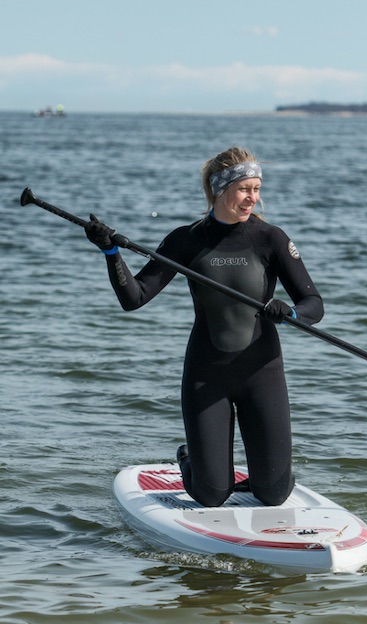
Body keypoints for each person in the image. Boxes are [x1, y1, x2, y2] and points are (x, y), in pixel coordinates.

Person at [85, 146, 324, 507]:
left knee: (273, 494)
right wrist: (110, 252)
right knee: (211, 495)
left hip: (262, 373)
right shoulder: (187, 239)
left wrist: (289, 311)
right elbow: (135, 297)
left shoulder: (270, 238)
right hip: (206, 374)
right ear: (220, 188)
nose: (252, 198)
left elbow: (314, 304)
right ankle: (190, 459)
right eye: (244, 189)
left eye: (257, 189)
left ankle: (266, 473)